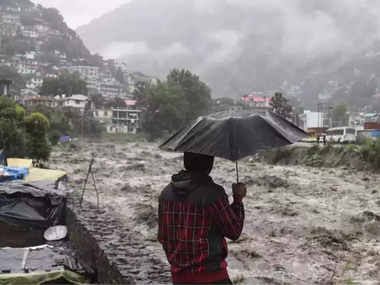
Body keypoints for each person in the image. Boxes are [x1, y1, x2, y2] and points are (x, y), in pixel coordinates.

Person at [158, 152, 246, 284]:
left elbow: (162, 237)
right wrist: (238, 199)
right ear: (209, 163)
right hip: (211, 277)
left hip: (179, 278)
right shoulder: (213, 194)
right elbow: (234, 231)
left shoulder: (166, 193)